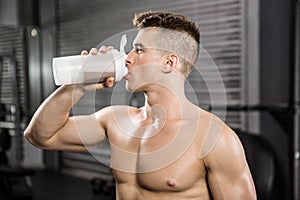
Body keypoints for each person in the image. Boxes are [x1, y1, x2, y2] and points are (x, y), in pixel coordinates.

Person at [24, 11, 256, 200]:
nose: (127, 58)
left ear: (169, 62)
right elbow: (39, 136)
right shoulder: (117, 120)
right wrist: (79, 84)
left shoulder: (213, 137)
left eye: (140, 50)